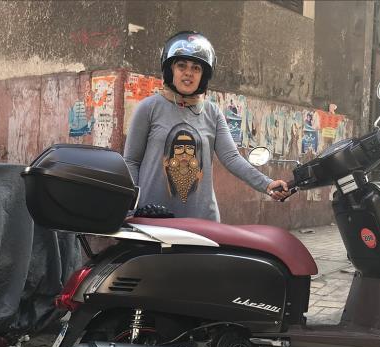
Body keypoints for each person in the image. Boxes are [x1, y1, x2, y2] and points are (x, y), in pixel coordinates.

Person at [123, 31, 289, 222]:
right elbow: (131, 162)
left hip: (202, 220)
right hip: (152, 216)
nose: (188, 73)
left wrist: (267, 184)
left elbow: (232, 158)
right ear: (170, 70)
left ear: (203, 76)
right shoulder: (149, 108)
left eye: (196, 68)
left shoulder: (212, 113)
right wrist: (129, 207)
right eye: (181, 65)